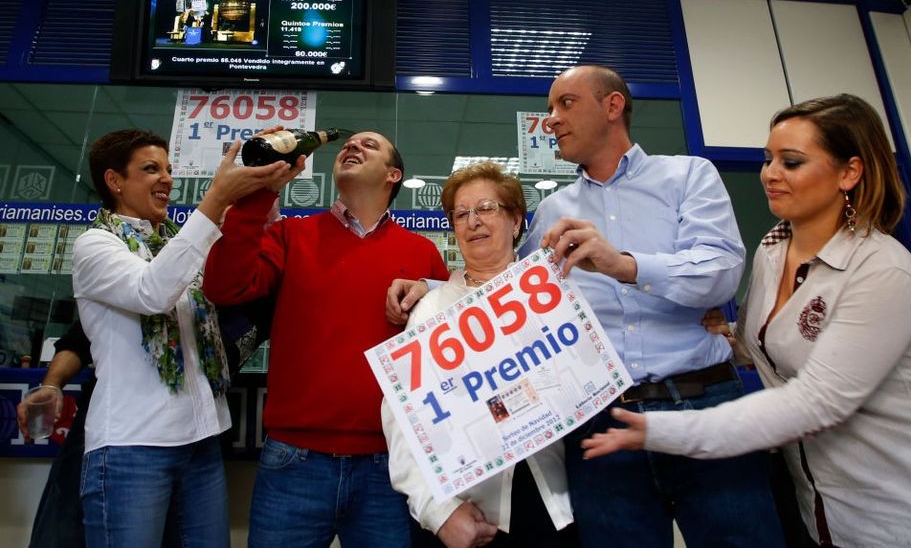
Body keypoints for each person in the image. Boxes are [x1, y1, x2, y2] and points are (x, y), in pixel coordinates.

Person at [389, 65, 785, 548]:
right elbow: (507, 282)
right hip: (602, 423)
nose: (551, 120)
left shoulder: (688, 176)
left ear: (613, 106)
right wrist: (434, 291)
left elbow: (721, 271)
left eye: (565, 104)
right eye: (550, 109)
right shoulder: (554, 211)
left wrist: (623, 264)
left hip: (701, 402)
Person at [580, 94, 911, 548]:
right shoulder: (773, 250)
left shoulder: (881, 270)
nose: (770, 174)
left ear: (849, 172)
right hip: (826, 511)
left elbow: (812, 403)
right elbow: (765, 345)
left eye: (791, 162)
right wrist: (724, 339)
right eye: (768, 159)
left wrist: (660, 427)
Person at [203, 129, 449, 548]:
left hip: (390, 467)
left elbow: (447, 347)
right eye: (348, 144)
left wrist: (432, 287)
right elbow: (225, 288)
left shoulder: (423, 253)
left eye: (369, 145)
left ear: (393, 175)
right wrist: (259, 195)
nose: (352, 146)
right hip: (294, 460)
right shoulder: (290, 236)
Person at [72, 129, 287, 547]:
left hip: (200, 440)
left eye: (168, 168)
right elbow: (152, 292)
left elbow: (246, 253)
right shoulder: (95, 245)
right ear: (114, 181)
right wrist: (215, 199)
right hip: (131, 447)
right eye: (151, 169)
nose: (167, 178)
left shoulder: (178, 240)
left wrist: (265, 185)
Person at [382, 161, 577, 548]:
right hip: (466, 511)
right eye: (461, 213)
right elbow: (403, 421)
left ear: (517, 220)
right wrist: (437, 512)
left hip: (557, 501)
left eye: (487, 208)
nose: (473, 221)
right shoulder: (432, 310)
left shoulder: (556, 295)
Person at [17, 322, 92, 548]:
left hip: (188, 436)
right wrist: (51, 386)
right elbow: (79, 341)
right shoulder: (116, 291)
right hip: (99, 427)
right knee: (63, 529)